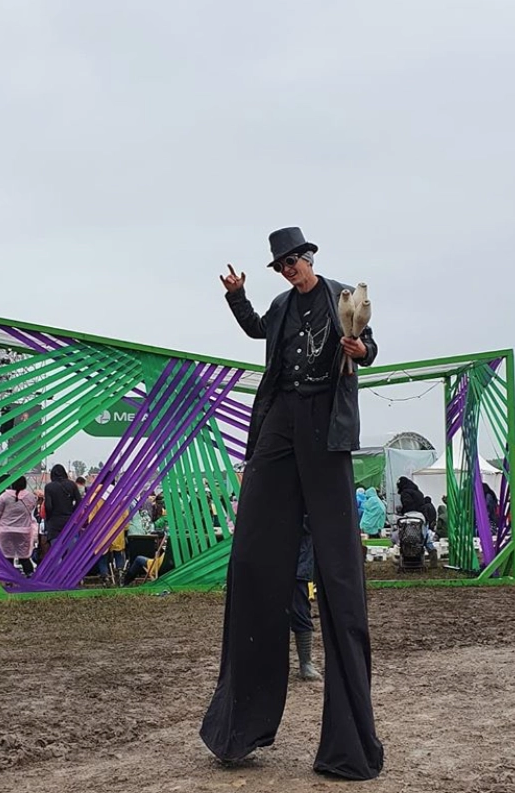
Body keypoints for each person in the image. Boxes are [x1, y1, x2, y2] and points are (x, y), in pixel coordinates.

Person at [200, 227, 383, 780]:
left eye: (294, 262)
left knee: (339, 569)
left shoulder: (343, 296)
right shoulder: (281, 305)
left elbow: (370, 346)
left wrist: (361, 350)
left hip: (326, 420)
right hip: (281, 416)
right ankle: (239, 726)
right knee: (252, 554)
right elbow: (258, 329)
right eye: (281, 266)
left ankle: (348, 744)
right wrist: (238, 296)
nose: (289, 271)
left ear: (309, 259)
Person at [291, 518, 322, 682]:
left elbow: (313, 522)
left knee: (300, 612)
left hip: (299, 564)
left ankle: (305, 663)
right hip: (273, 562)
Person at [0, 476, 38, 576]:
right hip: (24, 531)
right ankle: (30, 575)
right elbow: (32, 509)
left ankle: (9, 578)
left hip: (5, 531)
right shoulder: (31, 497)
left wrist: (2, 520)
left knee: (8, 556)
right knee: (24, 557)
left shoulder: (4, 496)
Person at [43, 464, 82, 545]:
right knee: (70, 548)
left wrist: (49, 518)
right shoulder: (72, 485)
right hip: (69, 520)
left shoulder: (49, 487)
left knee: (56, 549)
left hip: (55, 522)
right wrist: (72, 511)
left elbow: (48, 506)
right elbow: (79, 502)